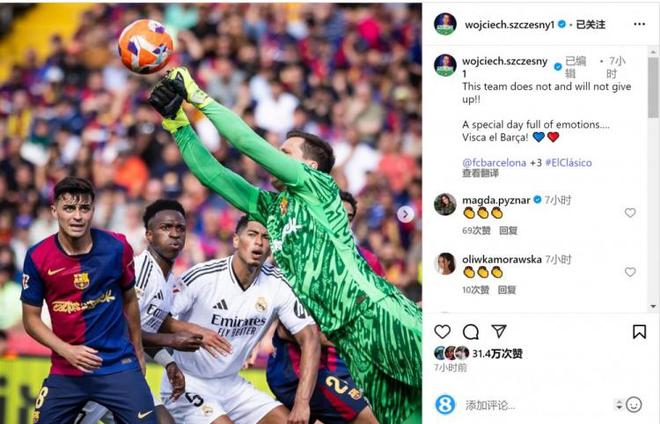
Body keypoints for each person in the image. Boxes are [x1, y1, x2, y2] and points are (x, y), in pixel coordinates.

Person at [148, 67, 422, 423]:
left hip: (377, 313)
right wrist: (178, 123)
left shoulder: (318, 188)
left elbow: (249, 144)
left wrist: (197, 97)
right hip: (350, 339)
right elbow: (213, 175)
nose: (274, 155)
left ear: (309, 166)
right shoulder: (272, 209)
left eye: (284, 151)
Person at [78, 199, 228, 424]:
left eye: (180, 228)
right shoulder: (140, 272)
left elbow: (143, 330)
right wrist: (171, 340)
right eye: (166, 227)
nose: (175, 234)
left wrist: (168, 362)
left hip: (124, 373)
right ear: (149, 235)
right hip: (99, 369)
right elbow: (118, 329)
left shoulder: (168, 281)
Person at [20, 177, 156, 423]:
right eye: (69, 208)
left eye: (84, 208)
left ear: (93, 210)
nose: (77, 216)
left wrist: (137, 349)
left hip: (118, 366)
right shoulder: (38, 256)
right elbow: (30, 319)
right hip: (66, 371)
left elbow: (130, 300)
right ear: (55, 210)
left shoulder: (117, 247)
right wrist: (67, 351)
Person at [162, 216, 320, 424]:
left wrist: (302, 403)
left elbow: (310, 338)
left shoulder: (278, 284)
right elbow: (157, 319)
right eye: (252, 234)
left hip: (232, 385)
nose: (259, 242)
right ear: (236, 240)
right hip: (186, 381)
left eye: (266, 237)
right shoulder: (203, 276)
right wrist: (196, 330)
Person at [266, 191, 379, 424]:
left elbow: (374, 313)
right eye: (336, 213)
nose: (342, 220)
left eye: (348, 217)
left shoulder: (365, 261)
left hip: (343, 366)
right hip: (297, 367)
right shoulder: (299, 256)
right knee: (370, 419)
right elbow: (286, 330)